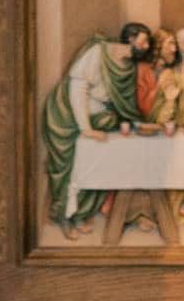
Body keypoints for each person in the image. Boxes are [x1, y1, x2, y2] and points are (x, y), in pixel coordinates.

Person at [41, 23, 154, 236]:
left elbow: (122, 103)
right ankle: (66, 217)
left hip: (99, 118)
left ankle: (83, 213)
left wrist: (134, 122)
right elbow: (78, 89)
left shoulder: (128, 65)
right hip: (67, 117)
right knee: (72, 164)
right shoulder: (99, 52)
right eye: (144, 41)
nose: (147, 46)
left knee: (100, 160)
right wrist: (86, 129)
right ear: (130, 39)